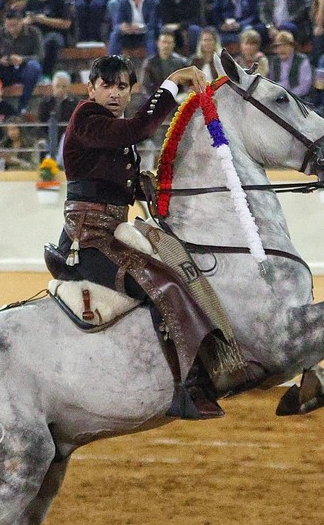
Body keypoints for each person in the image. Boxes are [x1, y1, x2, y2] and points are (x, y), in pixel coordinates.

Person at [55, 55, 229, 420]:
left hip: (108, 230)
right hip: (88, 239)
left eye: (122, 87)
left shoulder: (108, 129)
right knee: (164, 286)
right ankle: (186, 386)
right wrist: (171, 83)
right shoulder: (87, 117)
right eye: (107, 85)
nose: (115, 93)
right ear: (91, 89)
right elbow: (139, 129)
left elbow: (112, 178)